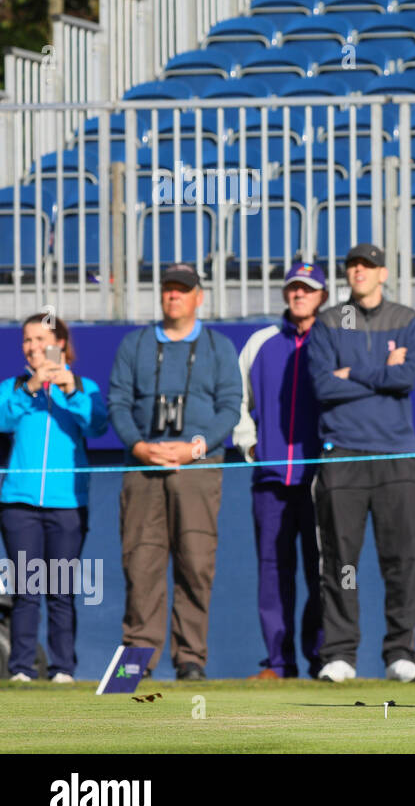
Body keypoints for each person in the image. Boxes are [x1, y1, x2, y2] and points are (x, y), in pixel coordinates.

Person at [108, 262, 243, 680]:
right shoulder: (136, 343)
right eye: (168, 289)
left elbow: (230, 407)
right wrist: (139, 445)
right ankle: (135, 660)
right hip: (143, 467)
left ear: (198, 297)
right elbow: (118, 402)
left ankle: (190, 659)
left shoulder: (220, 347)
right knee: (141, 562)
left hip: (197, 469)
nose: (173, 296)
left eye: (182, 290)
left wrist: (195, 449)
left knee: (195, 562)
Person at [308, 243, 415, 683]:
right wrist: (381, 373)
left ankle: (401, 653)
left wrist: (352, 372)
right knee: (342, 561)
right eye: (353, 265)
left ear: (384, 273)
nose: (359, 271)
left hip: (396, 455)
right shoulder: (328, 322)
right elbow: (323, 386)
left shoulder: (406, 319)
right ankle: (339, 654)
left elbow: (406, 379)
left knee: (401, 561)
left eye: (368, 265)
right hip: (342, 454)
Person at [232, 262, 328, 680]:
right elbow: (237, 400)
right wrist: (248, 443)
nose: (299, 295)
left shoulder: (333, 341)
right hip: (271, 480)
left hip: (321, 479)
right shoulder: (261, 342)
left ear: (322, 295)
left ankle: (325, 657)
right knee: (273, 573)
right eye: (293, 288)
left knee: (323, 571)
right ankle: (279, 662)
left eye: (307, 288)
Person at [0, 314, 108, 681]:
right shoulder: (14, 387)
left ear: (59, 344)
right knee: (26, 589)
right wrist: (31, 387)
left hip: (67, 505)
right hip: (19, 504)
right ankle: (21, 669)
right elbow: (2, 419)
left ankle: (63, 669)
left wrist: (71, 390)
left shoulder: (83, 386)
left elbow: (97, 423)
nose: (32, 347)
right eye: (26, 340)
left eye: (40, 339)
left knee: (60, 589)